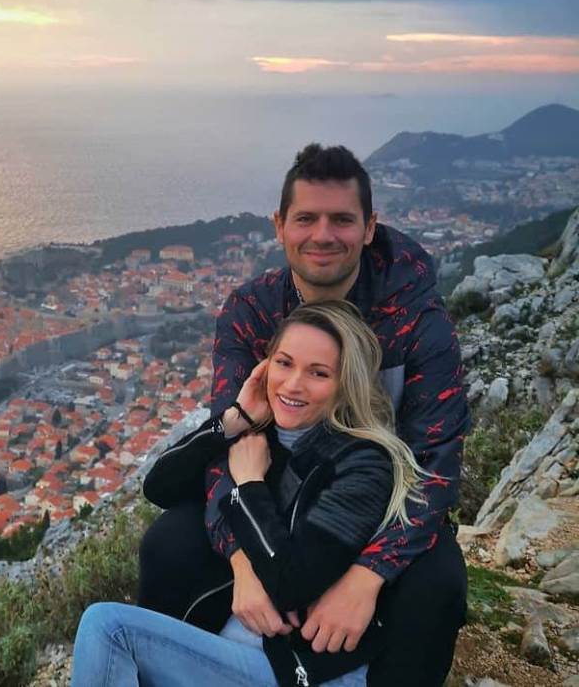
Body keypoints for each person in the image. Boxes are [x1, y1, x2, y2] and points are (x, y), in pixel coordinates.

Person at [138, 144, 469, 686]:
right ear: (280, 226)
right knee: (167, 545)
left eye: (342, 219)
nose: (323, 235)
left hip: (377, 504)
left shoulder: (416, 319)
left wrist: (366, 576)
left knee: (437, 587)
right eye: (306, 218)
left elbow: (434, 463)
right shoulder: (251, 310)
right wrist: (242, 561)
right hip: (274, 496)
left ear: (370, 227)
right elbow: (230, 441)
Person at [72, 301, 427, 686]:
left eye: (318, 373)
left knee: (108, 628)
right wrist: (235, 418)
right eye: (284, 363)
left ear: (345, 385)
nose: (293, 384)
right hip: (234, 651)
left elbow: (291, 585)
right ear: (265, 366)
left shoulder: (363, 465)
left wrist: (249, 485)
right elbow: (159, 486)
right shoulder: (259, 436)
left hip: (297, 670)